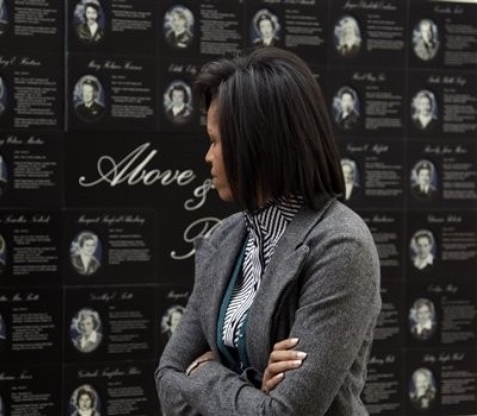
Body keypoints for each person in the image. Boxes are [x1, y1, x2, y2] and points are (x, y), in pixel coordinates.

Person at [155, 47, 381, 415]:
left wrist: (209, 372)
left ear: (255, 144)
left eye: (214, 141)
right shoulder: (225, 239)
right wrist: (251, 385)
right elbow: (167, 378)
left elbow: (284, 412)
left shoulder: (341, 245)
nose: (207, 157)